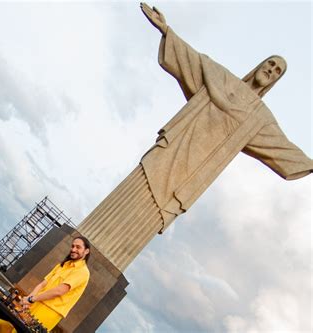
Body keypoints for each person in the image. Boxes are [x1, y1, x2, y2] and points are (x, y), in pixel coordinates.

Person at [77, 3, 312, 272]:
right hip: (170, 152)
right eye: (271, 63)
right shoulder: (220, 77)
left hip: (188, 177)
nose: (271, 70)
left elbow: (283, 149)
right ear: (260, 64)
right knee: (127, 197)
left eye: (277, 71)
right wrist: (166, 29)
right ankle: (83, 241)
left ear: (275, 81)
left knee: (147, 219)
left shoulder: (260, 119)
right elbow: (191, 59)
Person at [0, 236, 91, 333]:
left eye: (78, 247)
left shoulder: (82, 272)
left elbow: (59, 291)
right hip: (37, 301)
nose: (73, 249)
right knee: (2, 324)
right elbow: (42, 284)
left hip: (50, 311)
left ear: (86, 251)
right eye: (72, 246)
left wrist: (32, 299)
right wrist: (28, 299)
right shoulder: (62, 265)